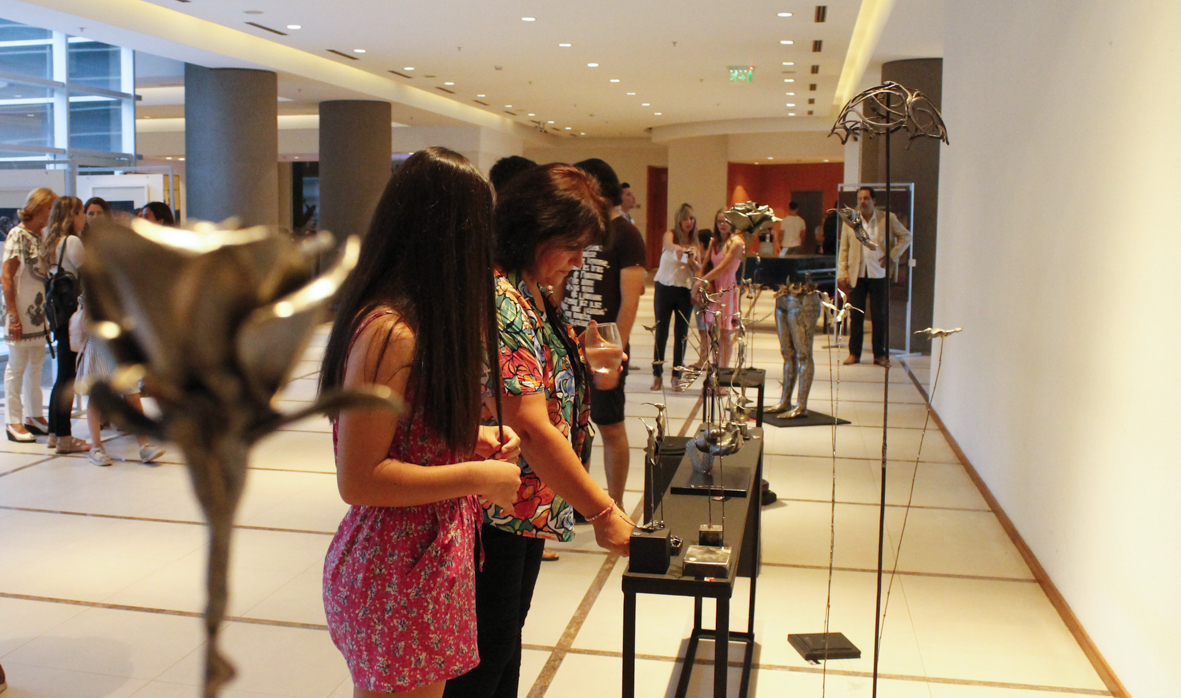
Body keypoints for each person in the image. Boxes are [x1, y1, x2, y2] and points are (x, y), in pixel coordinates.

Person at [319, 147, 524, 698]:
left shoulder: (414, 323)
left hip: (423, 562)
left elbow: (406, 438)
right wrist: (478, 476)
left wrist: (468, 441)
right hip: (396, 568)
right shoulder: (389, 333)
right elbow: (359, 478)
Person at [443, 163, 633, 698]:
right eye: (572, 245)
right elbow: (528, 422)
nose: (578, 260)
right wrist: (602, 511)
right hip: (497, 504)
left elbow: (538, 383)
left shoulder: (531, 289)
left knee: (504, 643)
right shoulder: (501, 295)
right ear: (535, 230)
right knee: (485, 655)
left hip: (524, 503)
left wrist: (582, 361)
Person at [560, 158, 646, 506]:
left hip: (604, 347)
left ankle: (616, 504)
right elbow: (560, 288)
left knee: (609, 424)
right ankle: (579, 502)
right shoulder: (577, 230)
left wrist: (613, 356)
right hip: (569, 341)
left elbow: (629, 302)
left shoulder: (626, 234)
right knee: (570, 426)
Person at [837, 186, 912, 367]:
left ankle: (879, 354)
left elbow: (906, 236)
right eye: (860, 198)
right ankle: (854, 353)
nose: (862, 202)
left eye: (866, 198)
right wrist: (842, 272)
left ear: (874, 200)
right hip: (857, 274)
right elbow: (844, 248)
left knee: (879, 316)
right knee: (856, 315)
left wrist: (893, 255)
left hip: (879, 273)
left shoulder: (887, 218)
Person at [2, 188, 55, 443]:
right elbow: (6, 277)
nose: (51, 214)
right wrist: (13, 315)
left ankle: (34, 415)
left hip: (38, 311)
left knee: (36, 365)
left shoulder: (40, 235)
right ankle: (13, 420)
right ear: (38, 208)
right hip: (21, 311)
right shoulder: (17, 235)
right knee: (17, 366)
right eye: (49, 209)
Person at [40, 196, 90, 454]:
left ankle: (54, 433)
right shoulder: (72, 242)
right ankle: (64, 437)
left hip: (57, 314)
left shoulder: (51, 241)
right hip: (73, 315)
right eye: (82, 213)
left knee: (62, 375)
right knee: (68, 377)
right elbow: (91, 272)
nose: (84, 219)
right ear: (73, 215)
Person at [651, 203, 698, 391]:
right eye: (685, 218)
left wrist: (692, 260)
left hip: (684, 290)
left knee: (681, 335)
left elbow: (696, 267)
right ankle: (657, 375)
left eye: (691, 218)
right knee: (661, 332)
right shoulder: (670, 235)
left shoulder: (695, 242)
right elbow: (668, 246)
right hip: (664, 287)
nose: (689, 222)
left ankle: (676, 376)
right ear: (679, 219)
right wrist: (680, 249)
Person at [695, 210, 745, 369]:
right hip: (713, 287)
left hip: (727, 288)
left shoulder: (736, 243)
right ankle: (715, 368)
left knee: (725, 332)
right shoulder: (714, 241)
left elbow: (722, 267)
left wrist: (701, 281)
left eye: (726, 221)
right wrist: (699, 283)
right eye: (719, 221)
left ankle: (723, 370)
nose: (722, 225)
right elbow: (705, 265)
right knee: (712, 331)